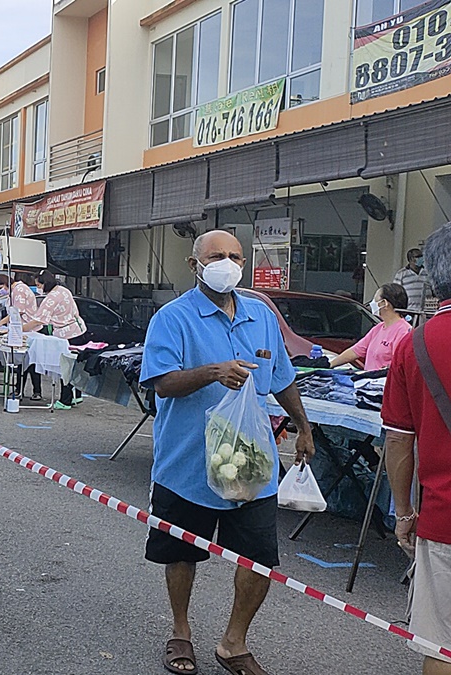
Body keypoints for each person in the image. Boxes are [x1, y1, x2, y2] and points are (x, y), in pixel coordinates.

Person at [139, 230, 314, 675]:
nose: (228, 263)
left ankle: (234, 642)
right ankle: (181, 631)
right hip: (187, 464)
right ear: (194, 263)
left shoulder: (259, 315)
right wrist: (213, 372)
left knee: (258, 559)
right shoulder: (172, 318)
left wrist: (304, 427)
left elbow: (283, 378)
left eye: (235, 256)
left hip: (251, 466)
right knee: (181, 553)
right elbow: (162, 382)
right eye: (217, 255)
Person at [381, 223, 451, 675]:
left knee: (441, 645)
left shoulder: (415, 344)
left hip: (443, 519)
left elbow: (398, 441)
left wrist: (404, 513)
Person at [16, 271, 88, 408]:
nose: (38, 287)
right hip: (79, 329)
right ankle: (76, 396)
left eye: (38, 284)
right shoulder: (64, 290)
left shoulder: (51, 299)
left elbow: (38, 320)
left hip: (66, 334)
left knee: (65, 367)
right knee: (75, 365)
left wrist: (20, 329)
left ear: (45, 283)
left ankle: (65, 400)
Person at [329, 283, 412, 370]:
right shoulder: (378, 328)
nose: (372, 303)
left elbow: (398, 364)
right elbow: (356, 351)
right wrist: (330, 364)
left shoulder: (404, 331)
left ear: (384, 303)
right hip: (369, 381)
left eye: (375, 299)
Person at [395, 247, 433, 313]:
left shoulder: (428, 272)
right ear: (411, 259)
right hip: (409, 311)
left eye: (422, 256)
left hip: (426, 311)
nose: (421, 258)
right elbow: (396, 292)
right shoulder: (401, 274)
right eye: (418, 256)